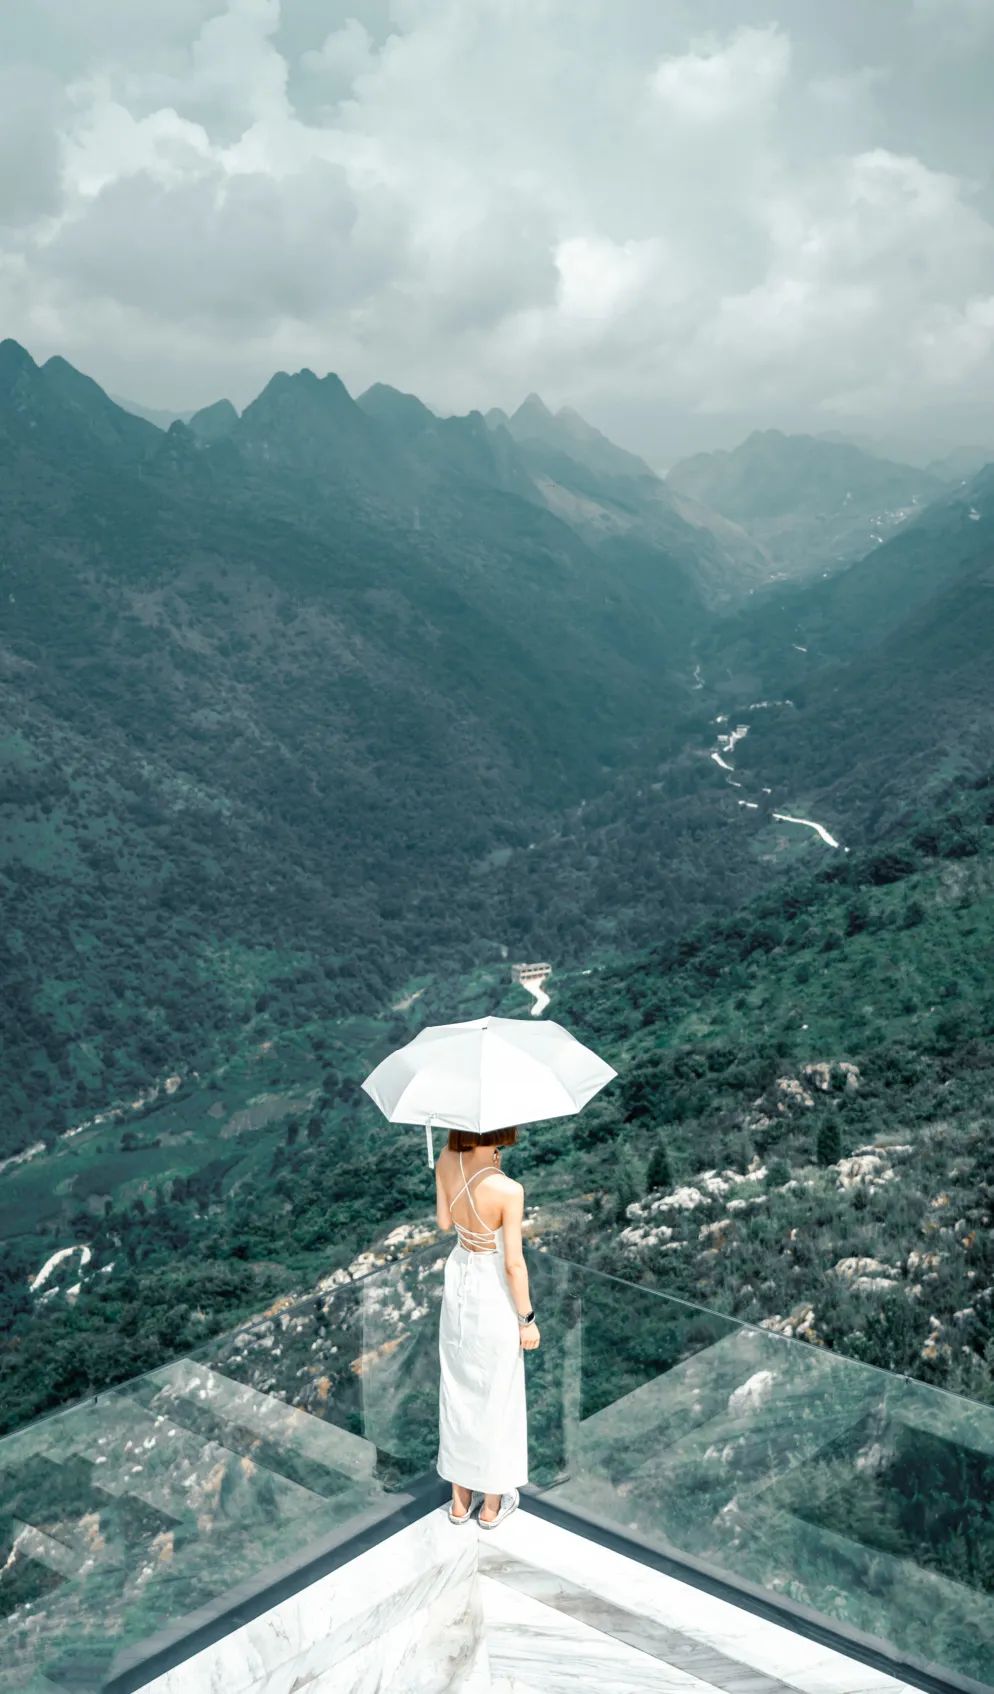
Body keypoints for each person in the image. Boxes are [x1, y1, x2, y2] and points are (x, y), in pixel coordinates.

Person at [434, 1125, 540, 1528]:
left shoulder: (446, 1158)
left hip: (460, 1280)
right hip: (492, 1292)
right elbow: (513, 1264)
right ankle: (492, 1505)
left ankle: (459, 1501)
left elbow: (444, 1222)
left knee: (458, 1390)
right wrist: (526, 1320)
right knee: (497, 1395)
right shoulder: (508, 1190)